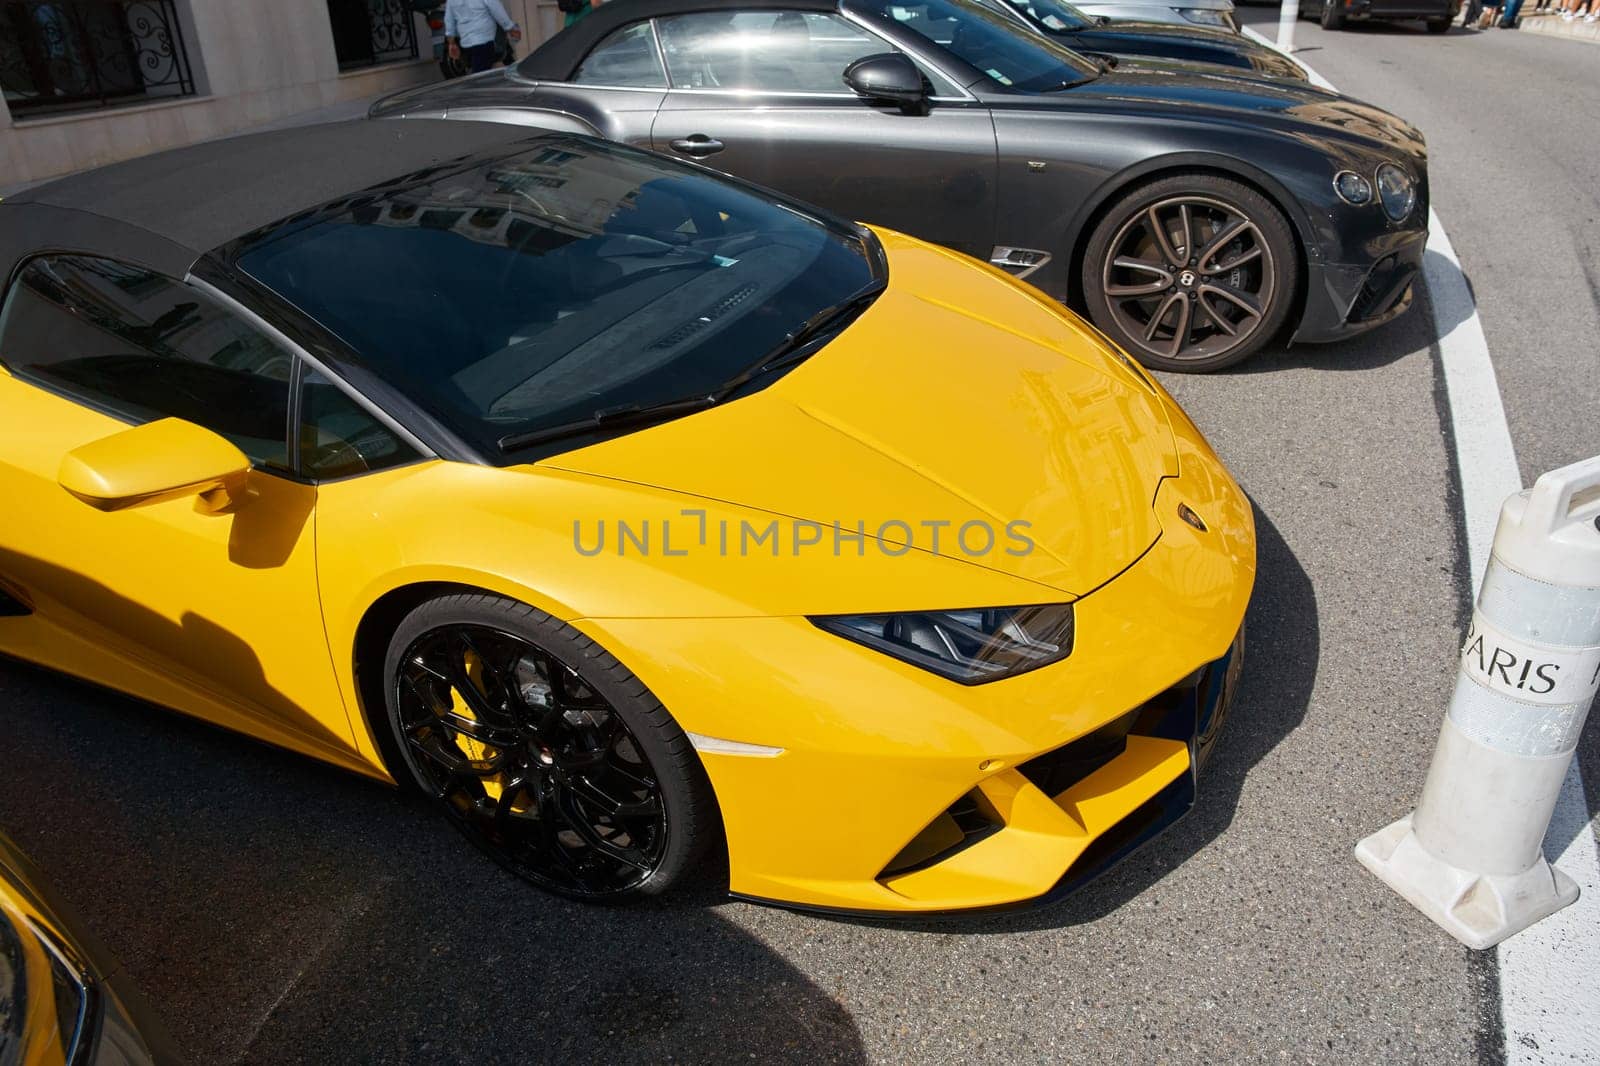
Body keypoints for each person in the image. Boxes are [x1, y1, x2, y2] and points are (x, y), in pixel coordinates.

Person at [445, 0, 522, 74]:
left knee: (483, 68)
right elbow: (495, 8)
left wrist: (451, 43)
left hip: (466, 44)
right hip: (484, 40)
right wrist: (509, 27)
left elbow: (449, 20)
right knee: (481, 76)